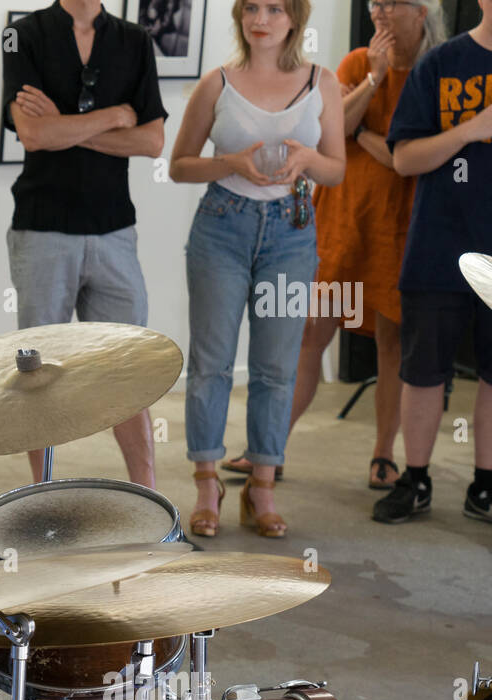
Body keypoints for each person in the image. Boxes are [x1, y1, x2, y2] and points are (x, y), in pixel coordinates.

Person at [223, 0, 446, 491]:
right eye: (376, 5)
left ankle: (384, 456)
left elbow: (401, 159)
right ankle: (269, 450)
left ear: (421, 12)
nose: (381, 15)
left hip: (401, 227)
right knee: (308, 334)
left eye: (392, 5)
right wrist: (372, 81)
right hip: (342, 221)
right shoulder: (356, 62)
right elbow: (329, 135)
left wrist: (362, 131)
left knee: (392, 344)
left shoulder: (436, 71)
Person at [169, 0, 345, 538]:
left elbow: (336, 169)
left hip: (292, 230)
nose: (260, 19)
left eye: (273, 8)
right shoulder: (216, 83)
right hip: (223, 225)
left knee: (276, 365)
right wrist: (231, 162)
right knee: (211, 362)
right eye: (251, 8)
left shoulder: (324, 82)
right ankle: (207, 485)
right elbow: (178, 166)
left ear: (295, 18)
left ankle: (261, 487)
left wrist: (306, 162)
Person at [2, 0, 168, 488]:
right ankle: (42, 497)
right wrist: (114, 115)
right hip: (42, 228)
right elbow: (33, 133)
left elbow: (153, 142)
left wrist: (66, 128)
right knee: (37, 377)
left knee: (128, 371)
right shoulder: (22, 33)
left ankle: (149, 502)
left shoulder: (136, 40)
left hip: (115, 230)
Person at [373, 0, 492, 530]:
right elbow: (405, 159)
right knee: (423, 372)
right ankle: (415, 479)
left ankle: (485, 484)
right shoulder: (440, 64)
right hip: (440, 246)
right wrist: (468, 130)